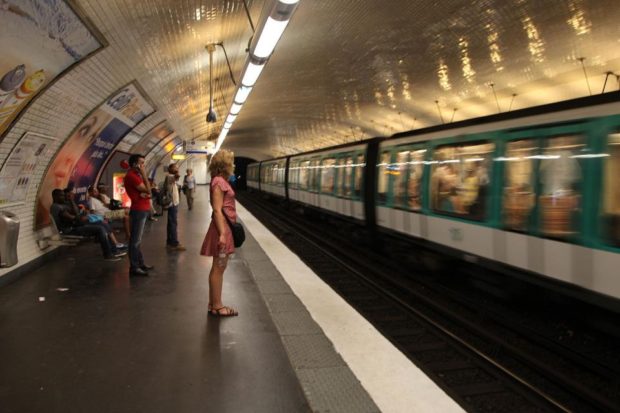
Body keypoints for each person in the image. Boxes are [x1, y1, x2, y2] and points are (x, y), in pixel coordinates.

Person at [200, 149, 239, 317]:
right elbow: (217, 210)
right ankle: (217, 306)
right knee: (219, 268)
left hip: (224, 228)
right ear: (225, 165)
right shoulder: (218, 182)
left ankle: (213, 304)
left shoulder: (220, 181)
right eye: (231, 162)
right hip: (221, 229)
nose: (233, 165)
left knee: (218, 268)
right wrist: (222, 234)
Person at [49, 189, 124, 261]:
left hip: (76, 225)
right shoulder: (56, 207)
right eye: (61, 196)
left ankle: (114, 250)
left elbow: (76, 213)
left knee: (103, 224)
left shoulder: (63, 204)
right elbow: (73, 218)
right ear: (55, 196)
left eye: (63, 195)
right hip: (70, 229)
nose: (63, 197)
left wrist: (71, 201)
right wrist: (82, 218)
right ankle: (108, 255)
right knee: (100, 229)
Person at [123, 154, 154, 276]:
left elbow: (148, 193)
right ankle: (134, 267)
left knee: (137, 239)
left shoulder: (136, 175)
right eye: (141, 163)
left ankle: (140, 263)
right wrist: (145, 175)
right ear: (135, 164)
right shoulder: (132, 176)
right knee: (135, 240)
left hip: (142, 208)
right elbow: (148, 190)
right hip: (138, 210)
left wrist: (146, 193)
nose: (143, 165)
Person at [164, 163, 186, 251]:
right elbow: (177, 176)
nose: (178, 169)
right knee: (173, 223)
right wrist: (176, 171)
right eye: (176, 168)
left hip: (173, 203)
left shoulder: (170, 177)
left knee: (170, 223)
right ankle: (174, 243)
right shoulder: (169, 176)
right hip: (172, 203)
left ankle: (169, 241)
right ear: (171, 169)